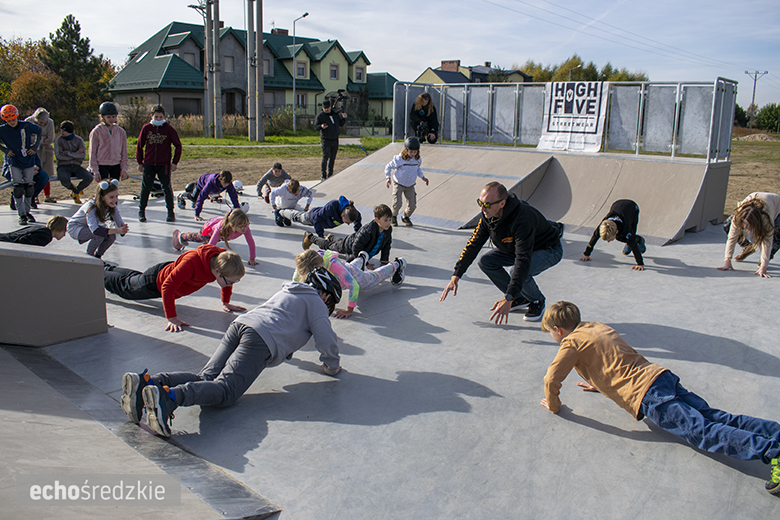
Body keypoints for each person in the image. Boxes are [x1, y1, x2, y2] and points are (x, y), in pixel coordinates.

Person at [539, 300, 780, 497]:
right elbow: (611, 358)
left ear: (558, 330)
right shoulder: (595, 327)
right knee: (714, 416)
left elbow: (551, 379)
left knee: (701, 431)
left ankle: (773, 452)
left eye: (551, 332)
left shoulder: (570, 343)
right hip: (659, 376)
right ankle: (774, 431)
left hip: (648, 395)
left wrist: (553, 405)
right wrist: (600, 385)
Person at [119, 267, 342, 437]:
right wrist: (332, 366)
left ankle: (148, 383)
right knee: (226, 391)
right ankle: (169, 398)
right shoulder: (316, 302)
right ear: (326, 295)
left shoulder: (291, 291)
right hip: (260, 339)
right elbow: (326, 338)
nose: (328, 307)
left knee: (205, 377)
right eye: (330, 301)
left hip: (240, 325)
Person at [439, 182, 563, 324]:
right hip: (515, 249)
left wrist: (508, 296)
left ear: (502, 203)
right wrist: (456, 275)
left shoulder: (522, 218)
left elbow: (523, 259)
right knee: (486, 262)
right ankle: (519, 297)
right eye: (480, 202)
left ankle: (536, 300)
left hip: (547, 249)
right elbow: (473, 244)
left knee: (520, 271)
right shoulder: (488, 215)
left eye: (487, 204)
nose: (482, 208)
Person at [103, 245, 246, 332]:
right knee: (125, 288)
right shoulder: (192, 262)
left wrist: (225, 302)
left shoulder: (222, 261)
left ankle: (108, 268)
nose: (231, 284)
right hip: (155, 282)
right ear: (217, 271)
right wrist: (171, 318)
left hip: (167, 271)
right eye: (231, 281)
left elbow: (228, 281)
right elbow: (167, 286)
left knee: (132, 278)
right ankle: (99, 272)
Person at [294, 249, 405, 319]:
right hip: (345, 269)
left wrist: (349, 310)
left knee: (374, 278)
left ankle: (397, 264)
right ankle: (362, 258)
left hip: (356, 277)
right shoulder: (304, 263)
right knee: (348, 267)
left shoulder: (333, 266)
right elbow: (296, 281)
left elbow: (354, 285)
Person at [304, 204, 393, 266]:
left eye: (390, 219)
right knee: (329, 246)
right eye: (385, 220)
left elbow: (386, 245)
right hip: (349, 246)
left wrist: (384, 260)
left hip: (349, 241)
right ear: (377, 220)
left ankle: (331, 237)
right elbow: (356, 247)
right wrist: (364, 263)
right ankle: (310, 237)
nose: (388, 223)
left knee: (339, 242)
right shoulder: (368, 231)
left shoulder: (387, 230)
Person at [136, 105, 182, 223]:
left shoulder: (169, 129)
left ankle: (170, 212)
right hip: (149, 163)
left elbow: (178, 145)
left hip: (164, 164)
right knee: (146, 188)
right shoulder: (146, 128)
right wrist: (140, 162)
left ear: (164, 117)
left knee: (166, 188)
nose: (158, 118)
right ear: (151, 116)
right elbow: (140, 145)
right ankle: (141, 211)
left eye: (160, 117)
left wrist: (174, 162)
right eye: (156, 116)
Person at [718, 192, 780, 278]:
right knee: (727, 225)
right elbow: (732, 237)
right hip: (751, 206)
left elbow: (767, 241)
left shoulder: (766, 219)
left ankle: (766, 258)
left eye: (748, 226)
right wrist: (727, 260)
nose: (745, 227)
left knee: (777, 232)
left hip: (776, 206)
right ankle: (747, 246)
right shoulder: (739, 215)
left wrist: (764, 266)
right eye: (744, 224)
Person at [0, 104, 42, 225]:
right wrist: (5, 150)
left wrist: (34, 146)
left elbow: (39, 130)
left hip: (28, 159)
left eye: (13, 120)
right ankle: (21, 214)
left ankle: (28, 211)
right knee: (18, 188)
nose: (12, 122)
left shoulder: (26, 125)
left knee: (29, 188)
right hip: (14, 161)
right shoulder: (2, 130)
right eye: (9, 120)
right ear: (5, 120)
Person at [66, 179, 128, 258]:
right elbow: (95, 230)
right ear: (102, 197)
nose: (115, 199)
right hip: (75, 227)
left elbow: (118, 220)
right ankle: (89, 257)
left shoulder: (112, 205)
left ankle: (98, 257)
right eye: (111, 197)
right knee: (99, 235)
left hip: (87, 227)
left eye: (116, 196)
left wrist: (122, 229)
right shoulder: (91, 207)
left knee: (111, 236)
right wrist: (117, 230)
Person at [172, 208, 257, 265]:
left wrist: (252, 258)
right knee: (199, 238)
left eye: (246, 224)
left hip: (222, 235)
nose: (245, 228)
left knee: (205, 243)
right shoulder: (220, 229)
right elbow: (210, 246)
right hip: (209, 229)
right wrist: (205, 262)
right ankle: (180, 236)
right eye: (241, 226)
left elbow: (251, 242)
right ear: (232, 225)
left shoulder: (245, 227)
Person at [579, 199, 646, 270]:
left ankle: (639, 240)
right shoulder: (603, 227)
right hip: (617, 204)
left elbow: (635, 247)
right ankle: (628, 242)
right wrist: (586, 254)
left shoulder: (626, 230)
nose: (608, 242)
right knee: (624, 237)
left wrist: (640, 263)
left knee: (629, 237)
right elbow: (594, 238)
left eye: (610, 239)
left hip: (632, 208)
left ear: (616, 231)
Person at [385, 136, 429, 226]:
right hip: (398, 183)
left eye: (415, 152)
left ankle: (406, 217)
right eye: (411, 151)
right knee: (397, 203)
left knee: (412, 205)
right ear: (406, 150)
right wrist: (388, 177)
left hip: (410, 185)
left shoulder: (417, 160)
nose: (413, 154)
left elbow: (417, 169)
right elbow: (388, 166)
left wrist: (423, 177)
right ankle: (393, 216)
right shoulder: (399, 159)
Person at [280, 195, 362, 239]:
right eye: (347, 222)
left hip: (323, 222)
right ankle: (281, 212)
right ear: (342, 215)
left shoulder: (352, 211)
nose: (347, 224)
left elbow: (358, 218)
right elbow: (317, 219)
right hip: (312, 218)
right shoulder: (332, 206)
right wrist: (320, 236)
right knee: (297, 217)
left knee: (298, 216)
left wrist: (357, 234)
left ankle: (283, 212)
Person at [54, 120, 93, 205]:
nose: (62, 132)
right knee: (64, 179)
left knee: (89, 177)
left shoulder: (79, 140)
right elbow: (59, 156)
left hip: (76, 166)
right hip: (63, 166)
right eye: (61, 130)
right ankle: (73, 189)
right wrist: (75, 154)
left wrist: (67, 153)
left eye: (64, 131)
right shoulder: (59, 140)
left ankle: (76, 191)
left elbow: (82, 155)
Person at [89, 102, 129, 183]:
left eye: (113, 117)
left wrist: (124, 168)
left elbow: (124, 151)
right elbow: (92, 152)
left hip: (116, 164)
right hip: (102, 164)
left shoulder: (120, 131)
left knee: (114, 187)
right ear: (103, 117)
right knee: (104, 188)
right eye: (108, 117)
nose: (111, 119)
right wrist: (95, 170)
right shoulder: (97, 131)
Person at [25, 107, 56, 203]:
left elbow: (50, 138)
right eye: (39, 122)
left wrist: (38, 139)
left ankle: (47, 195)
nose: (41, 124)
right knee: (34, 173)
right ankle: (34, 196)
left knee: (46, 173)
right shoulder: (28, 121)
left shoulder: (50, 122)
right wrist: (42, 138)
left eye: (43, 123)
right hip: (31, 151)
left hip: (46, 150)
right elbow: (26, 138)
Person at [315, 100, 346, 181]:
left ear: (330, 107)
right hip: (326, 139)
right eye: (324, 108)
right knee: (325, 157)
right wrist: (321, 126)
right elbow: (316, 127)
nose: (326, 110)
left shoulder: (335, 114)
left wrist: (344, 118)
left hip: (335, 139)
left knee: (333, 158)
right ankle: (323, 175)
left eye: (327, 108)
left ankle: (330, 174)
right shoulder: (321, 116)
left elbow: (341, 124)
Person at [0, 215, 68, 246]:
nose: (64, 235)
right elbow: (24, 241)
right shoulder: (46, 236)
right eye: (64, 231)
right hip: (5, 242)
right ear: (58, 228)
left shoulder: (40, 228)